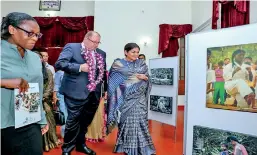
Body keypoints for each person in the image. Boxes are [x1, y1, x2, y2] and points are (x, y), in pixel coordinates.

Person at [1, 12, 48, 155]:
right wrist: (4, 82)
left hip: (29, 120)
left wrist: (42, 118)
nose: (34, 38)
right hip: (3, 123)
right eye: (30, 33)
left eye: (37, 35)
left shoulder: (34, 58)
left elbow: (38, 90)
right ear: (12, 30)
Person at [55, 31, 107, 155]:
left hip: (94, 93)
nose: (96, 45)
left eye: (98, 42)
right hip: (75, 92)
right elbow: (60, 63)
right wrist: (79, 67)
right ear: (85, 39)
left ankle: (80, 145)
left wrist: (104, 90)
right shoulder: (72, 47)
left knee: (85, 122)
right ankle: (67, 149)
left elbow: (103, 73)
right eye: (94, 42)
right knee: (73, 121)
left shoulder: (101, 53)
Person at [107, 43, 156, 155]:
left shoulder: (141, 63)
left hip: (139, 98)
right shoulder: (118, 64)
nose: (136, 54)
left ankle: (144, 148)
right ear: (126, 52)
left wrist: (145, 78)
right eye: (133, 52)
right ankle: (126, 147)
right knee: (126, 122)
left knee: (141, 122)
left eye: (137, 52)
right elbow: (113, 81)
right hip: (124, 98)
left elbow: (148, 78)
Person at [33, 51, 60, 151]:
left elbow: (50, 87)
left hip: (44, 101)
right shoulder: (29, 72)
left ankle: (48, 143)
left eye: (40, 58)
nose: (40, 59)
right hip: (32, 101)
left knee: (49, 120)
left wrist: (40, 98)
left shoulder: (48, 71)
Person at [53, 69, 68, 138]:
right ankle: (64, 133)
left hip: (70, 96)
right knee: (64, 114)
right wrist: (54, 96)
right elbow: (56, 84)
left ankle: (70, 132)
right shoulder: (59, 73)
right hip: (61, 96)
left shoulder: (71, 71)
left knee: (70, 114)